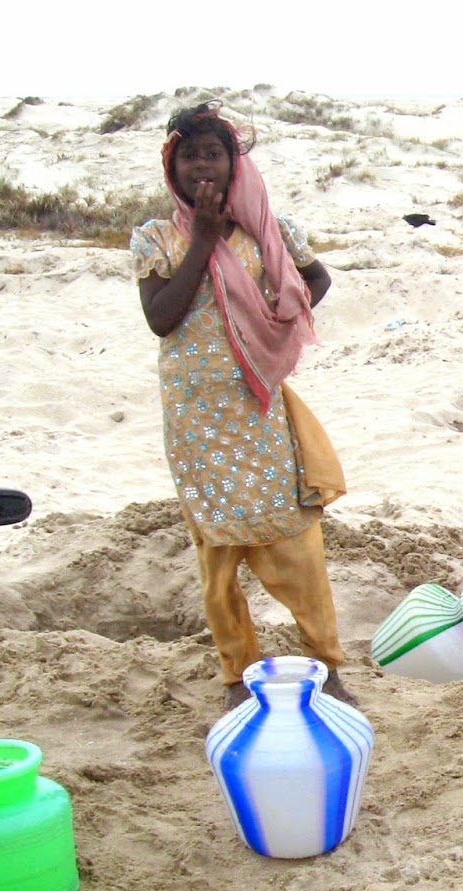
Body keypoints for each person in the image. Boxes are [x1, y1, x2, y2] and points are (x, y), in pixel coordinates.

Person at [131, 102, 354, 710]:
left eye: (214, 153)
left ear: (234, 164)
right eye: (190, 154)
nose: (202, 164)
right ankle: (236, 673)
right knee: (219, 550)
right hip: (196, 416)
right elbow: (161, 317)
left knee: (294, 537)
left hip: (256, 406)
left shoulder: (268, 229)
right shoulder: (156, 237)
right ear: (171, 165)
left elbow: (317, 281)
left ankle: (328, 664)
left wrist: (271, 318)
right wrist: (202, 241)